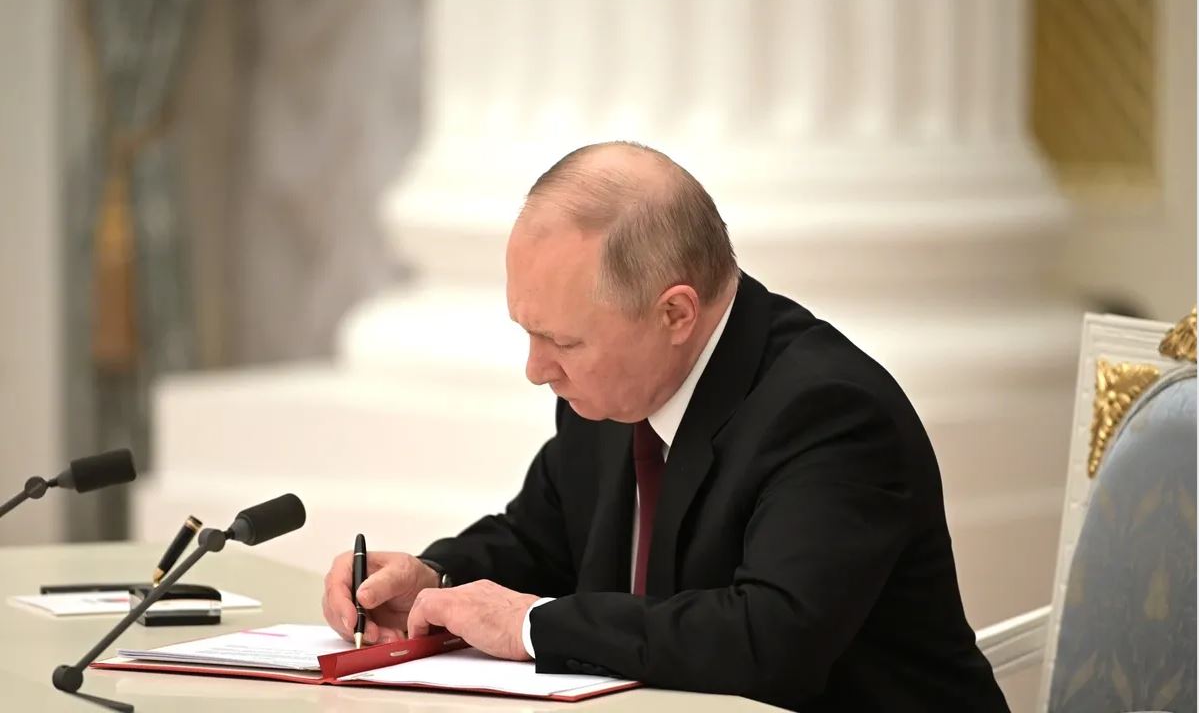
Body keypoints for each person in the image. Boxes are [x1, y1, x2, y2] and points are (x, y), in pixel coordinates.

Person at [322, 141, 1009, 711]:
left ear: (675, 313)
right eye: (529, 333)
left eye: (563, 341)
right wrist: (433, 580)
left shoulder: (829, 412)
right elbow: (539, 538)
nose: (536, 369)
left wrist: (531, 625)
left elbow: (767, 641)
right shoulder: (612, 388)